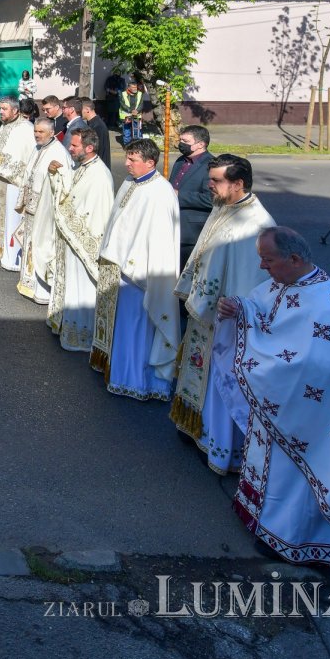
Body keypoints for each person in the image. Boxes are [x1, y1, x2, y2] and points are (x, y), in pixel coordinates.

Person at [215, 227, 330, 574]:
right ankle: (262, 520)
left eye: (268, 260)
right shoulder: (283, 283)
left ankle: (290, 540)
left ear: (294, 259)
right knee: (276, 472)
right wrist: (239, 307)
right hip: (280, 403)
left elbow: (316, 369)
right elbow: (259, 310)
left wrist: (261, 360)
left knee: (296, 478)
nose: (263, 268)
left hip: (307, 415)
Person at [171, 155, 275, 474]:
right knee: (200, 375)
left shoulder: (256, 224)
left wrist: (230, 311)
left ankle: (220, 448)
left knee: (220, 384)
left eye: (216, 180)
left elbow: (255, 282)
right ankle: (196, 427)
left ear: (238, 183)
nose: (209, 185)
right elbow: (205, 251)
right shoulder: (223, 205)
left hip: (226, 321)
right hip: (205, 311)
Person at [89, 138, 180, 401]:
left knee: (138, 327)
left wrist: (133, 265)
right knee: (122, 326)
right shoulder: (131, 182)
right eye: (127, 158)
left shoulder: (160, 192)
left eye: (133, 160)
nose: (126, 163)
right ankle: (118, 372)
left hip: (140, 274)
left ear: (151, 162)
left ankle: (138, 381)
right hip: (119, 267)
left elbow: (159, 239)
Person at [46, 129, 114, 350]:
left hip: (84, 243)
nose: (70, 149)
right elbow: (72, 191)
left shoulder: (100, 176)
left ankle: (82, 337)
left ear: (89, 148)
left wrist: (77, 233)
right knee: (72, 286)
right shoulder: (83, 167)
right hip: (72, 239)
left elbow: (97, 216)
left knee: (82, 288)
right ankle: (69, 326)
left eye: (74, 146)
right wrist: (56, 174)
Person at [16, 117, 70, 303]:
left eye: (41, 132)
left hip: (45, 208)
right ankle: (29, 283)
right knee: (31, 243)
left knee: (42, 245)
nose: (37, 135)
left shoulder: (59, 152)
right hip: (32, 206)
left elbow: (63, 182)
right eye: (35, 131)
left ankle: (43, 291)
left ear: (51, 133)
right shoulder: (38, 147)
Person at [0, 97, 37, 270]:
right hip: (0, 181)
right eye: (0, 108)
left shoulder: (27, 128)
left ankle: (12, 257)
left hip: (15, 183)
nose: (1, 111)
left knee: (12, 219)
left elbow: (30, 155)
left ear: (15, 110)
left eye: (4, 109)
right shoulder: (4, 126)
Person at [169, 125, 214, 268]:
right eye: (180, 140)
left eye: (185, 141)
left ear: (201, 144)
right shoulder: (181, 160)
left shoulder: (210, 165)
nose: (181, 144)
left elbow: (210, 199)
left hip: (191, 233)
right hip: (172, 227)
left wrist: (179, 195)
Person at [79, 98, 112, 170]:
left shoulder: (97, 127)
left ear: (87, 110)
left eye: (80, 110)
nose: (78, 112)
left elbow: (96, 151)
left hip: (98, 168)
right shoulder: (95, 124)